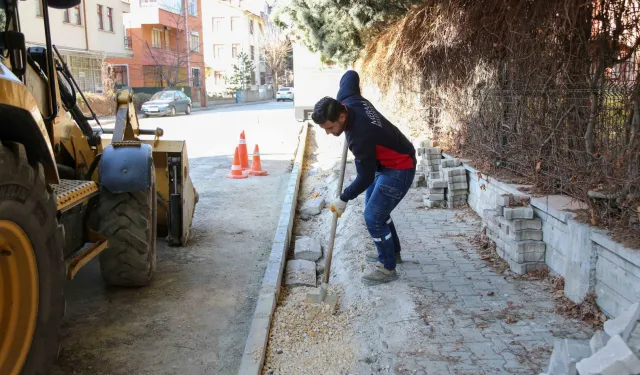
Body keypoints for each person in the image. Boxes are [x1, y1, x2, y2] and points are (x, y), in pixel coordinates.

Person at [311, 70, 416, 285]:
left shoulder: (360, 137)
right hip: (386, 163)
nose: (328, 133)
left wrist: (344, 198)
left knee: (373, 216)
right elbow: (350, 74)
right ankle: (392, 252)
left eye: (330, 127)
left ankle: (387, 268)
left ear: (341, 116)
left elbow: (365, 177)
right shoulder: (347, 99)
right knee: (376, 208)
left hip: (400, 166)